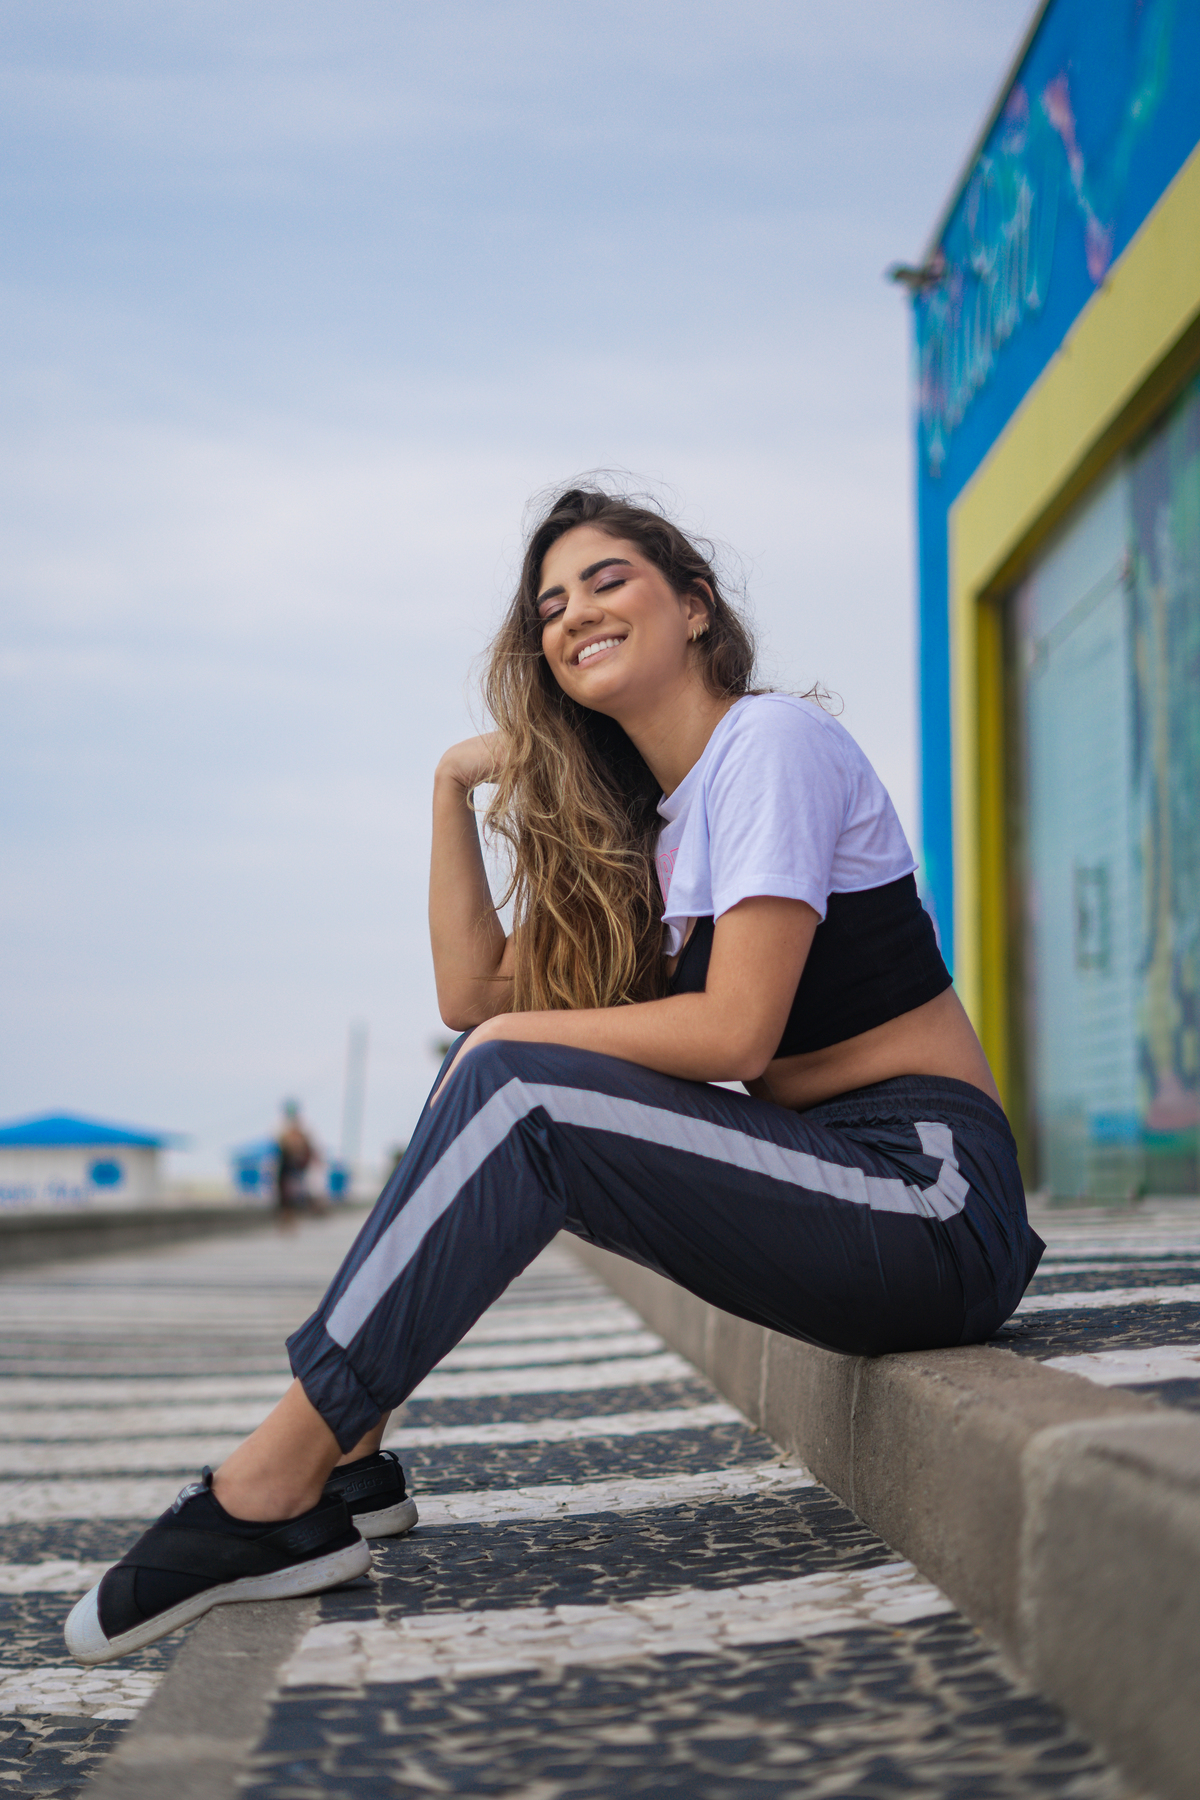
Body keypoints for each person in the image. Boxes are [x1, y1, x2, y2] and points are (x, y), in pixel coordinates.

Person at [65, 484, 1044, 1665]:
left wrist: (511, 1056)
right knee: (502, 1061)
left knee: (520, 1079)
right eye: (548, 603)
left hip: (931, 1195)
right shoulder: (664, 833)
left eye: (607, 580)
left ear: (694, 608)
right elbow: (473, 999)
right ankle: (350, 1449)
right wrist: (448, 788)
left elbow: (737, 1034)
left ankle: (266, 1488)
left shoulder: (772, 745)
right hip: (829, 1185)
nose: (573, 611)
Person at [274, 1100, 322, 1217]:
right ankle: (287, 1216)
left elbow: (308, 1148)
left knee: (298, 1191)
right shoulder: (282, 1129)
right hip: (287, 1165)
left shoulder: (300, 1130)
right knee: (286, 1194)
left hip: (297, 1166)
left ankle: (298, 1212)